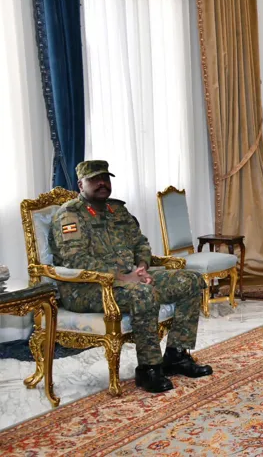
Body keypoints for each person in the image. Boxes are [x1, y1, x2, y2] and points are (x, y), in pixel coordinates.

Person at [49, 160, 213, 393]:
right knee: (142, 293)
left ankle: (176, 356)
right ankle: (149, 369)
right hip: (86, 288)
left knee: (191, 280)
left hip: (128, 278)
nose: (102, 183)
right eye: (94, 179)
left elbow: (140, 243)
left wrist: (142, 267)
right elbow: (76, 261)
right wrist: (124, 278)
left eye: (105, 178)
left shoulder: (118, 210)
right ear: (81, 184)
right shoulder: (70, 215)